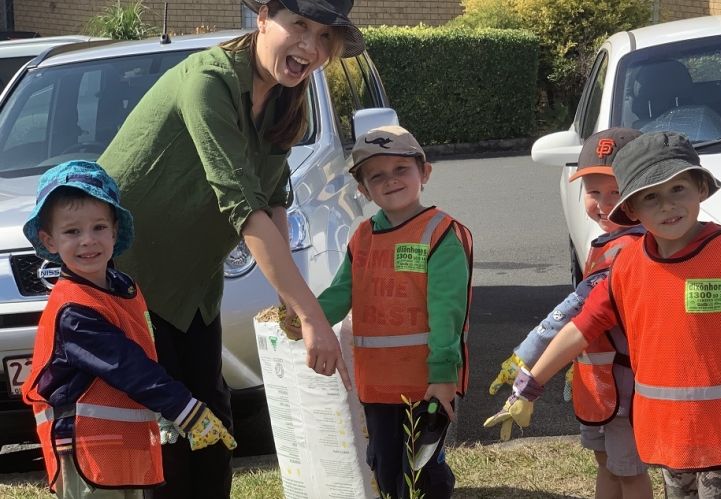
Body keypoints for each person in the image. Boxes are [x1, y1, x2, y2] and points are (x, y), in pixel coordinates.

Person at [96, 1, 364, 496]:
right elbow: (242, 207)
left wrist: (291, 305)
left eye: (325, 36)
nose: (310, 46)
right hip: (128, 284)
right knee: (171, 434)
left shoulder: (286, 97)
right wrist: (310, 316)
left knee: (214, 427)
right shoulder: (209, 82)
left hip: (194, 285)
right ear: (263, 16)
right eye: (299, 25)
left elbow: (276, 198)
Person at [485, 131, 721, 497]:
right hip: (668, 434)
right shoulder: (627, 267)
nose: (667, 206)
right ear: (633, 210)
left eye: (678, 189)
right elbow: (581, 328)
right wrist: (529, 386)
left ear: (701, 189)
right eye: (650, 197)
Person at [20, 161, 236, 499]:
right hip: (86, 456)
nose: (88, 241)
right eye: (72, 232)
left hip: (120, 452)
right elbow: (128, 367)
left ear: (115, 231)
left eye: (98, 227)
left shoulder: (121, 287)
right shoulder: (74, 312)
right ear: (49, 241)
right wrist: (185, 410)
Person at [301, 125, 473, 499]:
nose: (390, 181)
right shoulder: (363, 236)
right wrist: (304, 317)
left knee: (424, 475)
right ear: (363, 190)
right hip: (376, 386)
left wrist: (443, 375)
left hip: (424, 385)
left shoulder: (440, 234)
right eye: (376, 176)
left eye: (401, 170)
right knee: (386, 467)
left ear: (423, 173)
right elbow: (341, 292)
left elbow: (447, 312)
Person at [487, 128, 652, 498]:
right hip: (601, 382)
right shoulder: (608, 242)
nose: (604, 204)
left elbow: (570, 314)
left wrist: (525, 361)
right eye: (593, 192)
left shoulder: (631, 249)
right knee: (607, 462)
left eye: (617, 192)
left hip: (624, 387)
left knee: (629, 470)